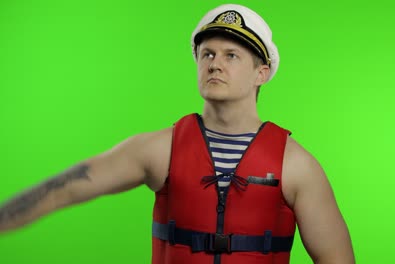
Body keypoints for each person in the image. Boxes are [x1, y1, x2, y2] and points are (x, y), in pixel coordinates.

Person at [0, 4, 355, 264]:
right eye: (207, 53)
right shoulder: (159, 149)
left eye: (232, 55)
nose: (215, 63)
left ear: (261, 73)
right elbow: (68, 187)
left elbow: (337, 259)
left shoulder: (295, 165)